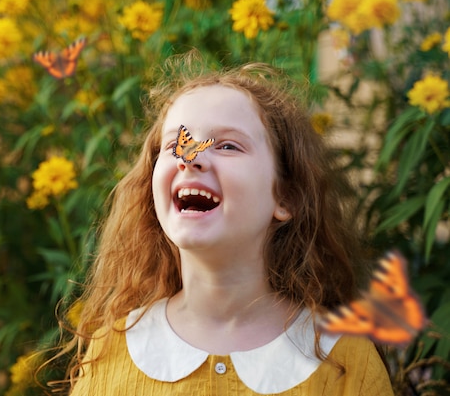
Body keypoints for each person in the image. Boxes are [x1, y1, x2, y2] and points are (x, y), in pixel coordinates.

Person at [51, 50, 394, 395]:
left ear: (286, 197)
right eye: (176, 145)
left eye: (228, 146)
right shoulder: (110, 351)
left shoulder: (347, 359)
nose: (192, 159)